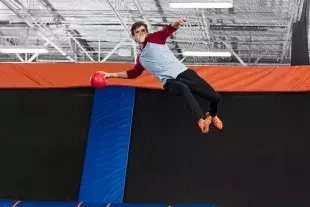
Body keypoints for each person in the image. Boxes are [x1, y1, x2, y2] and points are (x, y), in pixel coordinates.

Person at [100, 17, 223, 134]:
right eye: (137, 32)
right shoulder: (141, 59)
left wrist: (178, 22)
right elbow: (132, 73)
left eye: (143, 30)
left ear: (147, 33)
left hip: (185, 73)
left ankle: (212, 115)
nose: (141, 33)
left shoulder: (155, 38)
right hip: (169, 82)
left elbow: (169, 28)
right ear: (133, 37)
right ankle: (201, 121)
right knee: (182, 88)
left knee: (216, 98)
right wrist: (110, 75)